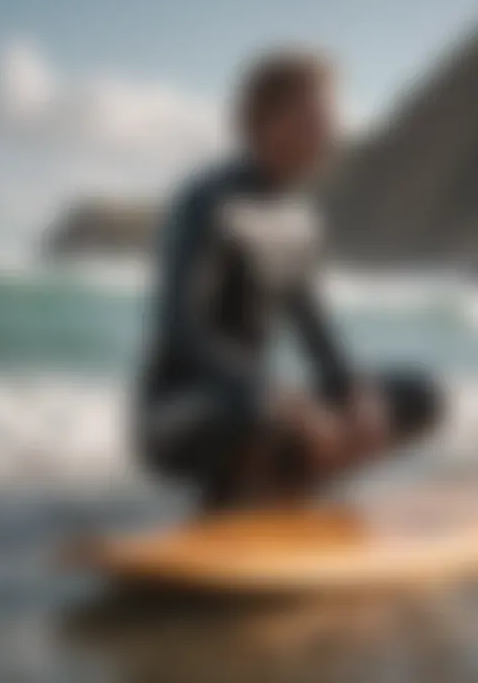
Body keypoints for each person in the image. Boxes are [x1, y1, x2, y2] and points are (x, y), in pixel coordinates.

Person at [137, 50, 443, 508]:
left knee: (420, 395)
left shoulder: (298, 219)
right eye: (314, 118)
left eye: (328, 119)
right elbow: (180, 330)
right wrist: (277, 397)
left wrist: (356, 396)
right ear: (268, 120)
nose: (329, 133)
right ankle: (244, 491)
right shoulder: (206, 201)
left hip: (266, 406)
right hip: (186, 414)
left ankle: (290, 481)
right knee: (259, 413)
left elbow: (319, 337)